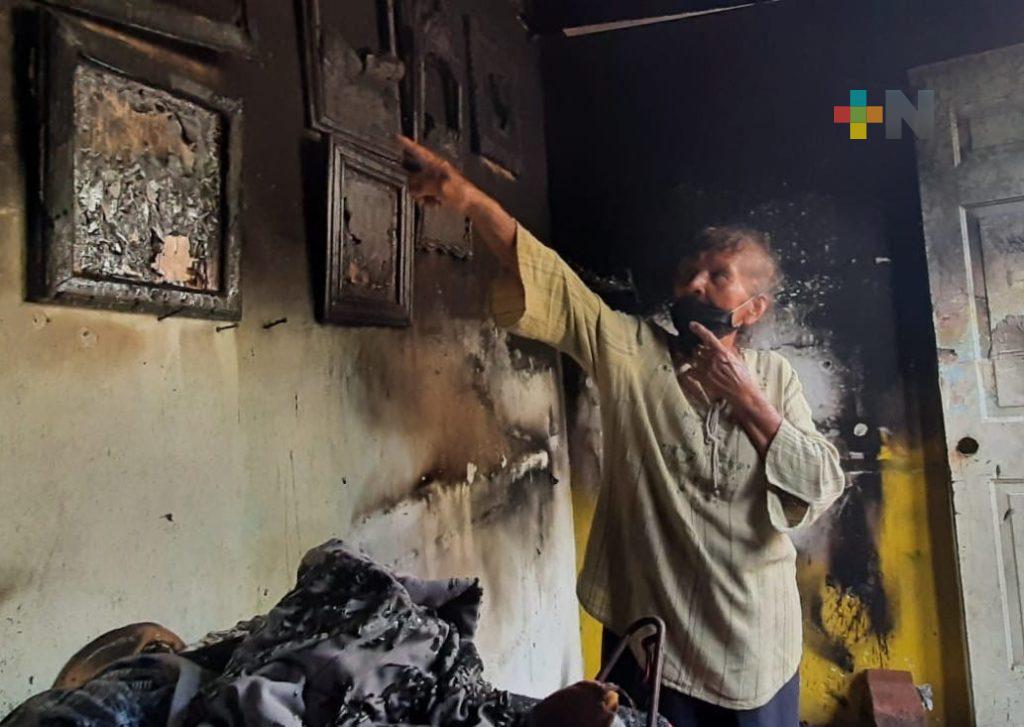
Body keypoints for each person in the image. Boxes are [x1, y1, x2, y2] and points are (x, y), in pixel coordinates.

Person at [397, 135, 845, 727]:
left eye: (719, 276)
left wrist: (749, 400)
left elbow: (820, 483)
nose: (695, 285)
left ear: (753, 307)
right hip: (658, 643)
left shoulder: (775, 376)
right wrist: (471, 200)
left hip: (757, 643)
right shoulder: (634, 353)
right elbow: (561, 290)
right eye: (689, 273)